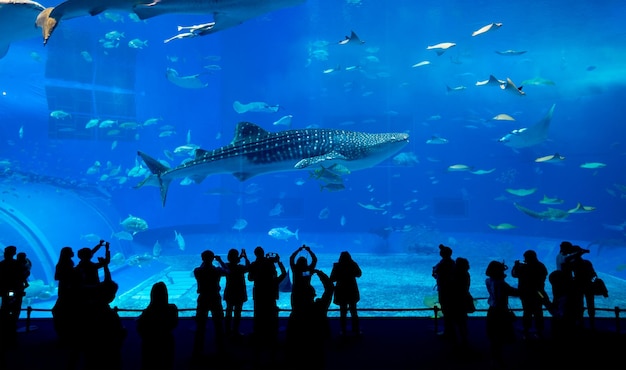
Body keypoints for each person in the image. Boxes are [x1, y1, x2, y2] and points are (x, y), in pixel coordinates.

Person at [286, 269, 334, 369]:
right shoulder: (320, 307)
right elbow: (329, 288)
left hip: (299, 345)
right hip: (316, 343)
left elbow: (289, 332)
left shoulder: (295, 311)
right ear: (313, 295)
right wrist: (320, 274)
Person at [247, 246, 287, 364]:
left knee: (258, 317)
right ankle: (272, 341)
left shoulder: (255, 265)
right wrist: (278, 262)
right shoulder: (272, 277)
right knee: (272, 318)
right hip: (270, 297)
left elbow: (250, 278)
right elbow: (284, 273)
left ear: (255, 254)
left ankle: (258, 343)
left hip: (259, 294)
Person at [193, 250, 228, 357]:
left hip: (203, 298)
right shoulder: (217, 271)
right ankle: (221, 349)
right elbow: (228, 271)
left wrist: (207, 260)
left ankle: (198, 350)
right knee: (218, 323)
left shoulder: (197, 271)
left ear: (202, 259)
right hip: (214, 298)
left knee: (201, 324)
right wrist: (220, 261)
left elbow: (202, 267)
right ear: (213, 258)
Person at [137, 281, 179, 370]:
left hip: (149, 343)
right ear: (166, 294)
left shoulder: (147, 312)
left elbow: (140, 328)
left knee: (150, 363)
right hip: (166, 340)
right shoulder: (172, 309)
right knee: (167, 362)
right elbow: (174, 324)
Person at [485, 260, 519, 368]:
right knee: (500, 335)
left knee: (493, 335)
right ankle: (498, 359)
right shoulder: (501, 284)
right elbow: (514, 292)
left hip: (491, 310)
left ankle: (494, 357)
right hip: (501, 311)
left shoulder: (488, 280)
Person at [511, 250, 549, 340]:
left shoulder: (524, 267)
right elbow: (545, 274)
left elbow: (514, 274)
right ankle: (539, 332)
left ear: (527, 258)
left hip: (526, 293)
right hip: (538, 292)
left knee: (527, 312)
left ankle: (526, 331)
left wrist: (516, 266)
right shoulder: (541, 265)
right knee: (538, 312)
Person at [330, 251, 362, 336]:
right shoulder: (353, 264)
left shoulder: (337, 266)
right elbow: (359, 274)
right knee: (353, 311)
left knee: (343, 312)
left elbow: (332, 278)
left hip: (341, 290)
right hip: (351, 290)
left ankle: (343, 330)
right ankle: (356, 330)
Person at [52, 246, 79, 343]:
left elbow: (56, 277)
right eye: (71, 251)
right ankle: (67, 333)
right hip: (68, 290)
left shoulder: (60, 264)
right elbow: (59, 276)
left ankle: (64, 333)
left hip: (64, 290)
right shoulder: (67, 264)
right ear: (67, 253)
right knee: (63, 310)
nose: (73, 252)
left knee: (61, 311)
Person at [0, 246, 26, 345]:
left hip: (6, 290)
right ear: (14, 253)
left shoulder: (1, 264)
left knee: (6, 306)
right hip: (14, 290)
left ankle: (5, 325)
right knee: (15, 308)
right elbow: (21, 276)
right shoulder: (16, 264)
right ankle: (11, 325)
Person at [567, 246, 597, 329]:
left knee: (580, 305)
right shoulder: (587, 262)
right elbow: (594, 275)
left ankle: (581, 323)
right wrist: (592, 282)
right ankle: (591, 323)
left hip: (578, 286)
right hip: (587, 286)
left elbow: (594, 275)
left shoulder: (573, 263)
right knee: (589, 305)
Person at [223, 248, 250, 338]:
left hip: (230, 291)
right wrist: (245, 258)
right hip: (239, 292)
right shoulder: (240, 268)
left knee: (228, 311)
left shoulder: (226, 266)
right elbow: (248, 268)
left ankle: (227, 331)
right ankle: (235, 331)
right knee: (237, 312)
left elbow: (231, 264)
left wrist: (239, 257)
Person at [431, 244, 456, 339]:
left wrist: (435, 274)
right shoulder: (452, 262)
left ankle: (448, 331)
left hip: (445, 290)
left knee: (446, 310)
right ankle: (451, 330)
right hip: (450, 289)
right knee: (449, 310)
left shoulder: (443, 264)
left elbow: (439, 275)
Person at [289, 245, 318, 311]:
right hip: (307, 291)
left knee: (296, 309)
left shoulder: (295, 270)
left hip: (296, 291)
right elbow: (314, 260)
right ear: (306, 262)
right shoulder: (308, 270)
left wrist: (298, 250)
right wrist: (309, 251)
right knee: (307, 309)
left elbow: (291, 258)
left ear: (297, 262)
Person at [451, 256, 472, 345]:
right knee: (462, 319)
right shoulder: (466, 273)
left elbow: (453, 286)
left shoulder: (456, 274)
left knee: (457, 320)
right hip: (464, 297)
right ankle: (464, 339)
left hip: (457, 299)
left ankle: (458, 340)